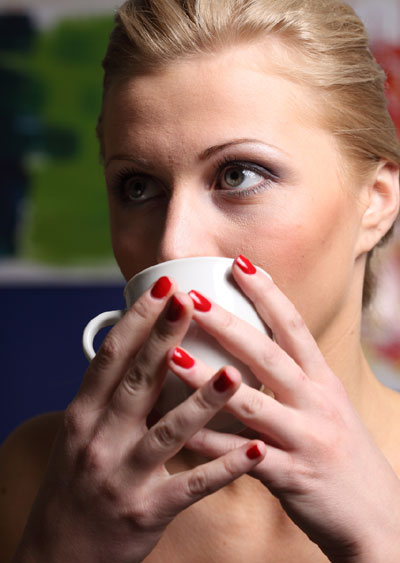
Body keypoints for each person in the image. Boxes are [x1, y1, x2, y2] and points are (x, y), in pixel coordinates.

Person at [1, 0, 400, 561]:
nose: (171, 246)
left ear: (375, 203)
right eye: (137, 186)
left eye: (239, 175)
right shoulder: (34, 476)